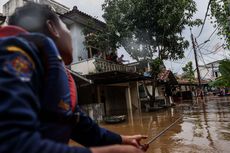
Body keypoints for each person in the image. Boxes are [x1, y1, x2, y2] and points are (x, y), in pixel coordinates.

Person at [0, 3, 148, 153]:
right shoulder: (12, 55)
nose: (69, 34)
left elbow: (86, 130)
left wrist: (123, 140)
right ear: (52, 28)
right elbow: (13, 145)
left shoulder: (57, 76)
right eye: (66, 28)